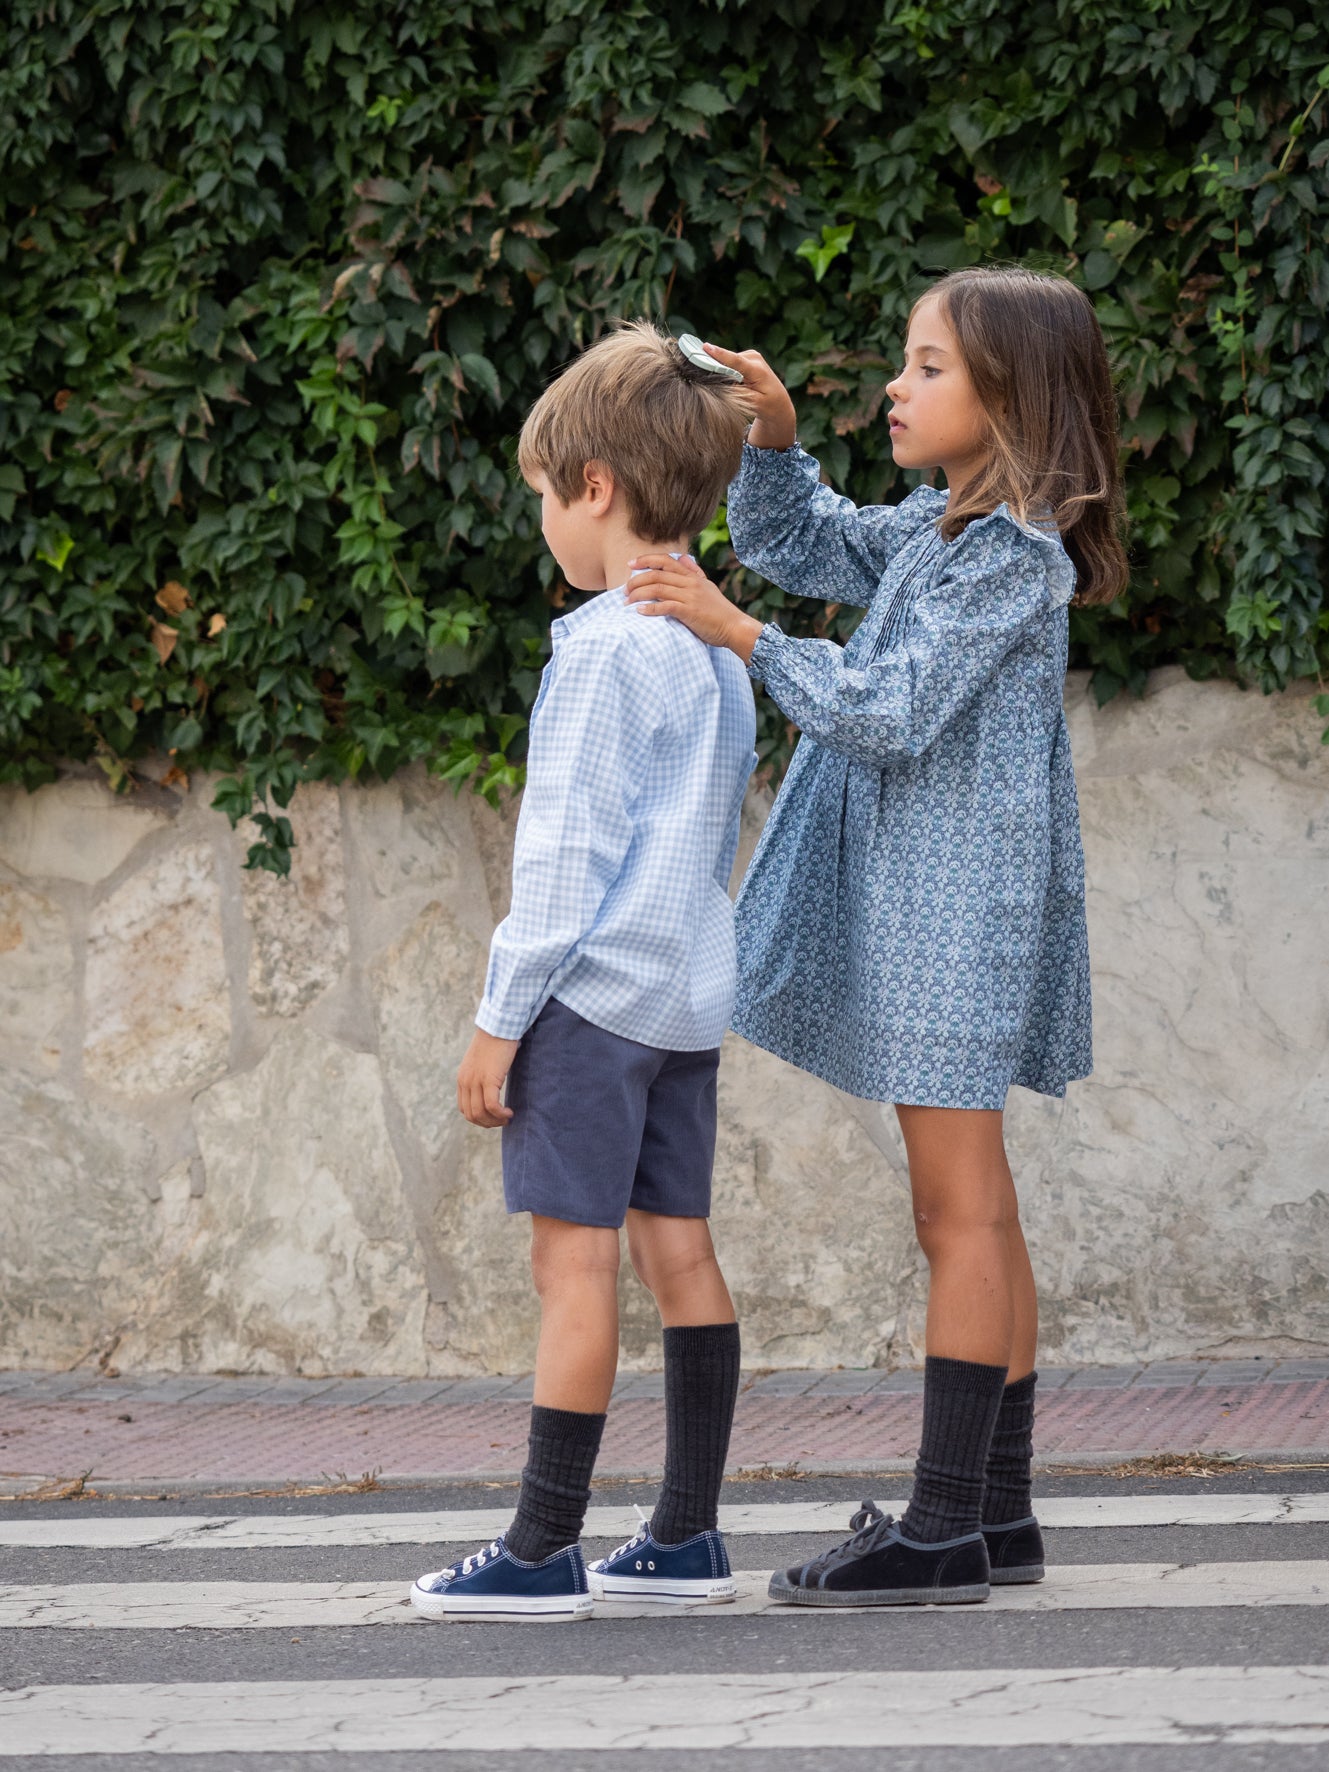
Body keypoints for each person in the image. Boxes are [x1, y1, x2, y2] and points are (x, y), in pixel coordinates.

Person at [624, 266, 1127, 1606]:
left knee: (954, 1210)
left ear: (1008, 395)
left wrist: (738, 638)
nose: (896, 388)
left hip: (956, 920)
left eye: (927, 368)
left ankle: (944, 1525)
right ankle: (997, 1516)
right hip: (939, 911)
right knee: (980, 1206)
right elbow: (802, 545)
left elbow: (890, 707)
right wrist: (773, 447)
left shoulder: (1011, 557)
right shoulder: (938, 531)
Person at [410, 322, 756, 1622]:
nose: (545, 528)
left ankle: (542, 1547)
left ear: (594, 487)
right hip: (682, 999)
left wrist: (498, 1025)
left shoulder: (606, 646)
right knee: (679, 1251)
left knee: (574, 1268)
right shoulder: (713, 645)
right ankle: (684, 1538)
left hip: (590, 1001)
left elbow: (560, 864)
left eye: (544, 499)